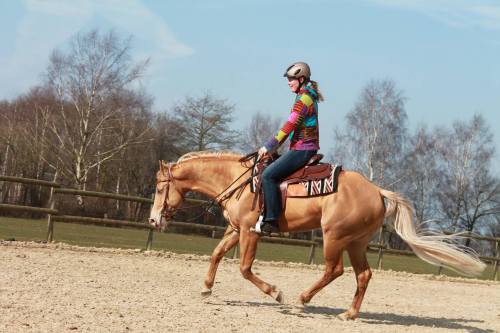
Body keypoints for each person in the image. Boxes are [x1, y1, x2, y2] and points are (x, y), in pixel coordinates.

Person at [254, 61, 324, 235]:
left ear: (301, 79)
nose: (288, 82)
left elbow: (289, 126)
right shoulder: (303, 95)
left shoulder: (305, 98)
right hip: (300, 147)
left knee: (268, 175)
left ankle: (271, 221)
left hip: (303, 149)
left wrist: (268, 146)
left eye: (291, 79)